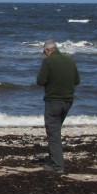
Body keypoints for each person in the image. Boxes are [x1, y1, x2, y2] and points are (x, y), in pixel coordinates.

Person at [36, 39, 80, 175]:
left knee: (53, 133)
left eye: (44, 52)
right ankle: (54, 158)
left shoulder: (48, 61)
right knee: (56, 130)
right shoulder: (70, 61)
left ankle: (57, 166)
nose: (44, 54)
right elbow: (77, 81)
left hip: (53, 101)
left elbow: (40, 81)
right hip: (68, 101)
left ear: (48, 51)